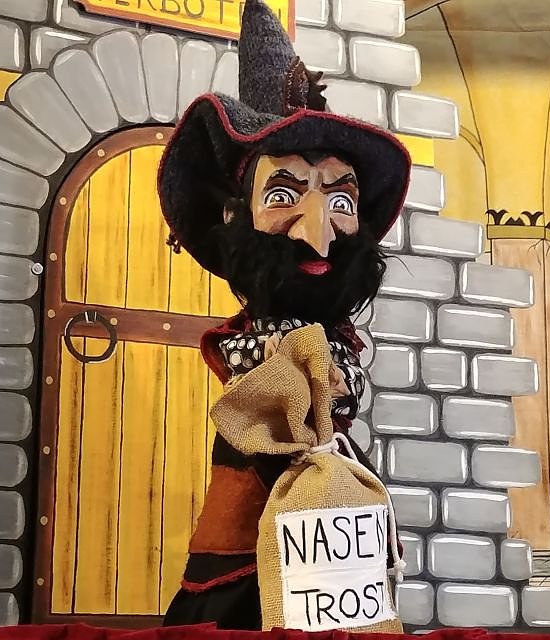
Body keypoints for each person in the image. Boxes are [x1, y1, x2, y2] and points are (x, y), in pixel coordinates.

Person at [154, 0, 411, 628]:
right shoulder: (258, 351)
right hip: (244, 549)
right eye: (282, 194)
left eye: (340, 200)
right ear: (234, 217)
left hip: (334, 555)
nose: (317, 235)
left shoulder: (337, 344)